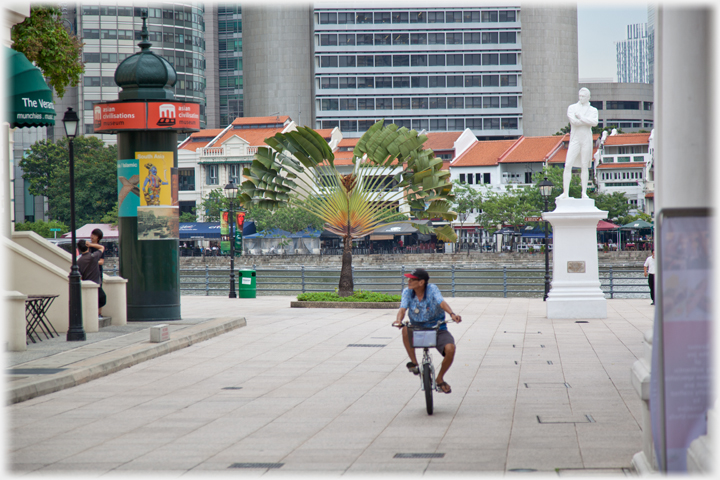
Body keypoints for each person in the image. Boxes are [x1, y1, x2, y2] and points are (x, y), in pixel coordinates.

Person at [392, 268, 462, 394]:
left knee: (450, 349)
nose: (408, 281)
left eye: (412, 279)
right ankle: (414, 363)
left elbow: (441, 302)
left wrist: (452, 314)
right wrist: (398, 321)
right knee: (405, 330)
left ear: (421, 282)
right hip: (417, 327)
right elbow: (402, 309)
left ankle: (440, 378)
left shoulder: (432, 289)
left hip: (437, 327)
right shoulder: (407, 292)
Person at [558, 88, 599, 200]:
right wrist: (586, 121)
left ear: (588, 97)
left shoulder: (593, 110)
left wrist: (581, 117)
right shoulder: (572, 108)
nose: (581, 98)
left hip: (586, 139)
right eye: (580, 96)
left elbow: (595, 123)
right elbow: (574, 122)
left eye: (583, 96)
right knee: (568, 165)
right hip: (575, 139)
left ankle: (584, 193)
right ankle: (565, 192)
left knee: (584, 166)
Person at [77, 239, 107, 317]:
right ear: (87, 247)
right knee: (101, 299)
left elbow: (80, 275)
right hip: (96, 283)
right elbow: (102, 247)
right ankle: (97, 315)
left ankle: (95, 315)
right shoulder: (93, 257)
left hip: (87, 283)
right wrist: (90, 244)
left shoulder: (79, 261)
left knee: (91, 302)